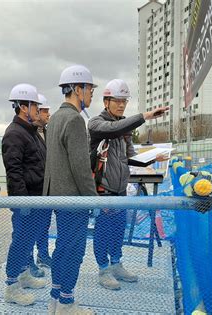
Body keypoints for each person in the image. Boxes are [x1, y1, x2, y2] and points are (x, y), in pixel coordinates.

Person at [88, 79, 169, 290]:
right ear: (106, 101)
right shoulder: (96, 124)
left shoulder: (123, 130)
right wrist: (146, 116)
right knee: (103, 230)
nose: (121, 105)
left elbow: (131, 157)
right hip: (102, 189)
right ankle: (103, 269)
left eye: (124, 101)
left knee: (118, 229)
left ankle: (116, 263)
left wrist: (153, 158)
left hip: (120, 189)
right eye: (117, 101)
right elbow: (113, 128)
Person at [43, 65, 98, 315]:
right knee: (74, 250)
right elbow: (80, 168)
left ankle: (55, 299)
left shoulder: (54, 118)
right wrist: (94, 200)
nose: (91, 95)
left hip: (57, 196)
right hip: (74, 200)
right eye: (89, 89)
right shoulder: (75, 120)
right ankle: (66, 302)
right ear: (78, 89)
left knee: (62, 247)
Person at [2, 83, 49, 306]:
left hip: (37, 199)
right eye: (35, 106)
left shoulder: (31, 133)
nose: (38, 111)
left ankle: (23, 275)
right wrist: (22, 202)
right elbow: (14, 172)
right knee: (20, 241)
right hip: (27, 201)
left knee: (27, 240)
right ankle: (11, 285)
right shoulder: (14, 134)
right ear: (23, 107)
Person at [28, 93, 53, 278]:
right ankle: (28, 261)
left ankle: (43, 255)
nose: (47, 114)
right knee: (30, 228)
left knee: (44, 225)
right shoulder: (28, 133)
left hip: (46, 190)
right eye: (45, 111)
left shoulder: (48, 131)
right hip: (33, 191)